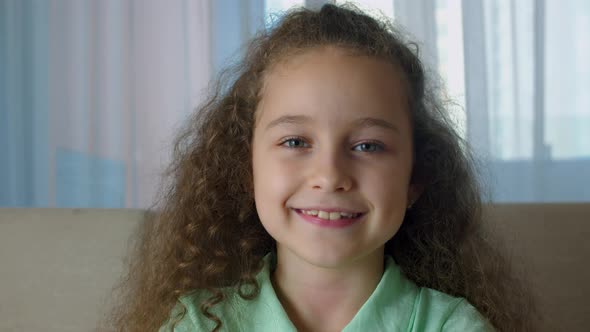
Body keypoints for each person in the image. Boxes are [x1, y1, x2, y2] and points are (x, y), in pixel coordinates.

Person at [108, 4, 537, 332]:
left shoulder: (453, 326)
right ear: (245, 167)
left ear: (416, 177)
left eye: (368, 145)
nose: (330, 175)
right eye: (295, 142)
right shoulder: (199, 322)